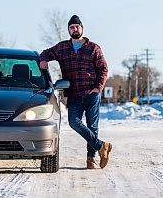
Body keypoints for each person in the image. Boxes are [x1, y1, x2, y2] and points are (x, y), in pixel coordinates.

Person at [39, 14, 112, 169]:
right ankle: (101, 146)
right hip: (73, 94)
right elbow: (45, 53)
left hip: (91, 94)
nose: (74, 29)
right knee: (74, 122)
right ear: (68, 30)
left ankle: (90, 159)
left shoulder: (93, 48)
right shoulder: (62, 48)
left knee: (93, 126)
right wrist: (43, 60)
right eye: (71, 27)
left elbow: (103, 69)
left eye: (77, 26)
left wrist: (98, 87)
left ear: (82, 28)